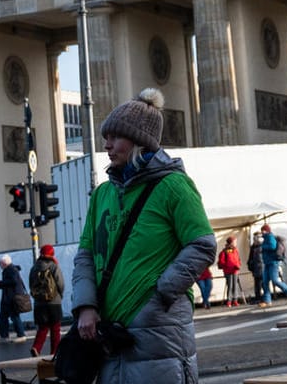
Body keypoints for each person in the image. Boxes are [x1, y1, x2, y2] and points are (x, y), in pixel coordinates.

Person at [69, 88, 214, 384]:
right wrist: (86, 306)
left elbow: (202, 244)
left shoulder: (175, 186)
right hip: (110, 332)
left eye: (115, 137)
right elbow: (86, 254)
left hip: (159, 328)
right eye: (105, 138)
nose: (107, 146)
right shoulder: (102, 195)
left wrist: (160, 293)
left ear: (138, 140)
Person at [29, 246, 65, 356]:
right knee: (55, 328)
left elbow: (31, 284)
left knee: (43, 327)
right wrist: (60, 295)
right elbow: (60, 283)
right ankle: (55, 352)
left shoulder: (34, 267)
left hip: (39, 303)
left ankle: (36, 347)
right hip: (54, 302)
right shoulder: (54, 266)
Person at [256, 223, 287, 305]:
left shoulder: (270, 237)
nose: (261, 232)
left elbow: (273, 246)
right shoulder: (266, 238)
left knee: (275, 280)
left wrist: (262, 247)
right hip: (267, 263)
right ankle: (267, 301)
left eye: (263, 230)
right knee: (265, 282)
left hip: (273, 263)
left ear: (266, 230)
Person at [0, 254, 26, 341]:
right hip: (8, 297)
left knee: (14, 316)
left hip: (12, 297)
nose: (0, 266)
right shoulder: (9, 270)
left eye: (0, 263)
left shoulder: (11, 269)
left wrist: (0, 283)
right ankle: (4, 336)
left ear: (4, 263)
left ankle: (21, 335)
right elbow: (9, 283)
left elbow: (13, 281)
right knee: (3, 316)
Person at [216, 238, 242, 307]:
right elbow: (223, 261)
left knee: (235, 285)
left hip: (235, 270)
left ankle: (235, 300)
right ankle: (229, 301)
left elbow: (238, 259)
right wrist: (230, 266)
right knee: (230, 286)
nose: (236, 243)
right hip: (228, 271)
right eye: (234, 242)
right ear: (231, 243)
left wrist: (238, 264)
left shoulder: (235, 250)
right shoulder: (225, 251)